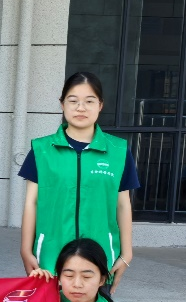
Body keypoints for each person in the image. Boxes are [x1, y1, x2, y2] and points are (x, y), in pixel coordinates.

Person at [20, 72, 138, 288]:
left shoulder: (118, 151)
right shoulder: (41, 150)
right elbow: (31, 203)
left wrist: (127, 253)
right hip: (50, 258)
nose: (80, 108)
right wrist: (26, 250)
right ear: (62, 104)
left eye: (89, 101)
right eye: (73, 101)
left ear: (100, 105)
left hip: (100, 257)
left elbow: (123, 204)